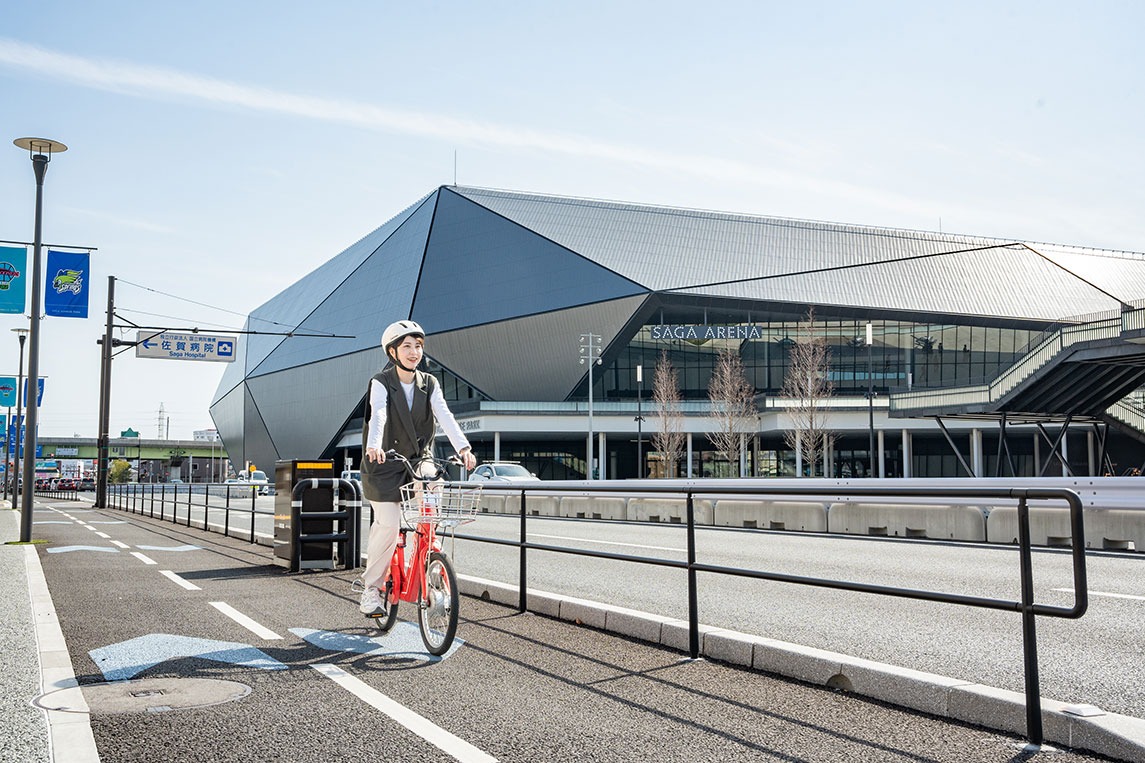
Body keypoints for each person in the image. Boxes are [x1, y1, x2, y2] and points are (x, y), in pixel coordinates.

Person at [358, 320, 476, 616]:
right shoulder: (380, 382)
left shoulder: (429, 383)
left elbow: (444, 415)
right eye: (407, 346)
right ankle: (371, 590)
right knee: (387, 523)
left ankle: (428, 548)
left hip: (417, 459)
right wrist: (374, 445)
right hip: (383, 463)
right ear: (393, 351)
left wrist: (463, 447)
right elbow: (379, 415)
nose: (414, 352)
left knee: (434, 482)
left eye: (419, 346)